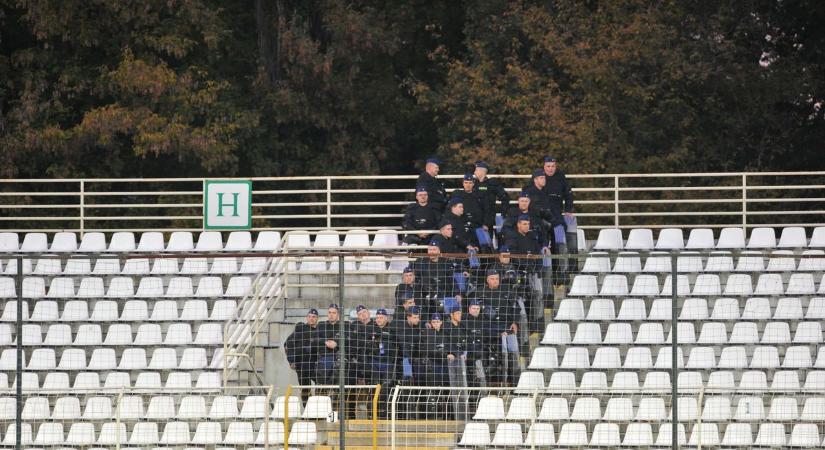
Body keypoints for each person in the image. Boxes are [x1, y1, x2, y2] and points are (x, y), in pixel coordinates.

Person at [542, 155, 578, 275]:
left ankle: (566, 269)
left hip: (557, 214)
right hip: (543, 214)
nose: (550, 169)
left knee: (560, 241)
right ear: (544, 167)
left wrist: (568, 210)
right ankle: (546, 269)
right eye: (548, 166)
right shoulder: (539, 177)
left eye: (553, 166)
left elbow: (568, 195)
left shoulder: (561, 177)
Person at [284, 308, 321, 400]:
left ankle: (318, 407)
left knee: (321, 385)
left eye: (314, 317)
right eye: (309, 316)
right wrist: (291, 361)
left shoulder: (320, 331)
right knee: (305, 389)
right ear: (306, 318)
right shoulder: (300, 328)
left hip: (316, 364)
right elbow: (288, 344)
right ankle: (308, 411)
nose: (311, 318)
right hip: (302, 364)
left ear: (317, 318)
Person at [368, 308, 397, 417]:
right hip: (374, 362)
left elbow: (396, 347)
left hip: (387, 362)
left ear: (386, 318)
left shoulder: (392, 329)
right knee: (374, 387)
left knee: (386, 387)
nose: (379, 320)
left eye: (381, 318)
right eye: (377, 318)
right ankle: (372, 413)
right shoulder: (371, 329)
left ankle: (385, 413)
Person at [473, 161, 510, 242]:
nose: (474, 172)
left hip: (487, 221)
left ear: (482, 171)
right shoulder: (474, 184)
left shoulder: (491, 183)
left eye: (476, 170)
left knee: (486, 245)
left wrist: (503, 214)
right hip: (475, 220)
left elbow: (505, 197)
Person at [443, 305, 469, 419]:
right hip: (451, 362)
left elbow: (466, 342)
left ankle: (464, 414)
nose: (460, 315)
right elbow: (445, 343)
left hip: (461, 361)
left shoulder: (462, 327)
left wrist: (465, 353)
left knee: (463, 387)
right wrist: (450, 353)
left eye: (460, 313)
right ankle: (456, 414)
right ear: (451, 315)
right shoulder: (446, 327)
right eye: (457, 313)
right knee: (454, 387)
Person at [450, 173, 486, 239]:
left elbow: (484, 210)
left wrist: (484, 223)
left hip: (476, 225)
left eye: (470, 183)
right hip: (461, 224)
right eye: (466, 182)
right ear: (463, 183)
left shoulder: (478, 195)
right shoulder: (457, 194)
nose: (468, 185)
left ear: (473, 184)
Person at [316, 304, 343, 385]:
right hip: (324, 356)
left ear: (338, 315)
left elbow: (349, 340)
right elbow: (314, 338)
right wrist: (325, 341)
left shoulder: (343, 326)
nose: (331, 315)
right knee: (323, 383)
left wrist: (337, 344)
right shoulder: (321, 325)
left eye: (334, 313)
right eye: (329, 312)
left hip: (339, 357)